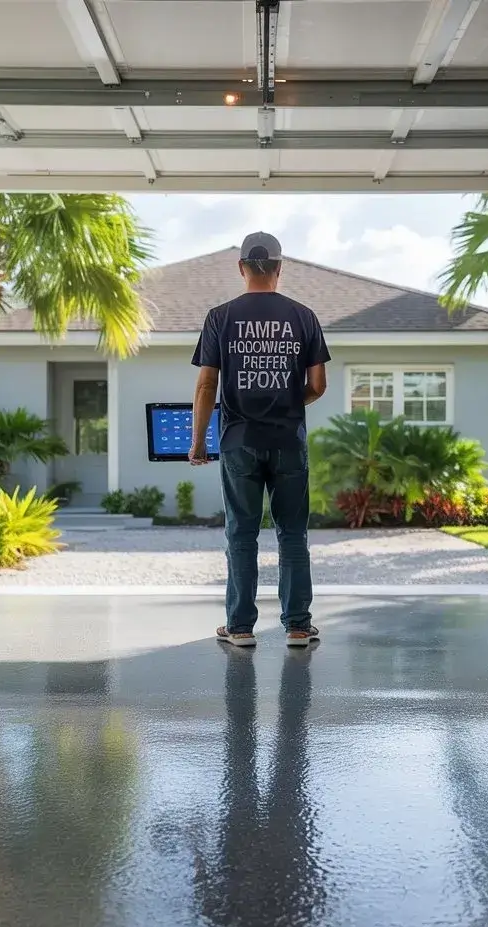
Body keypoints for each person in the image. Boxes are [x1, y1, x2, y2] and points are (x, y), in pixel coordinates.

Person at [188, 232, 330, 648]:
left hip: (239, 440)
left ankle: (240, 628)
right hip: (288, 440)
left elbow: (206, 385)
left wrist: (199, 442)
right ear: (280, 268)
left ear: (241, 268)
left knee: (241, 534)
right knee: (292, 534)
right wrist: (287, 401)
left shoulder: (220, 317)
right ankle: (298, 626)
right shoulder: (303, 316)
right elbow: (318, 385)